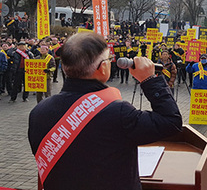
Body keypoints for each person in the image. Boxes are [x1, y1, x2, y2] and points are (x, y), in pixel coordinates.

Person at [28, 32, 182, 190]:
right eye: (108, 59)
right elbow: (171, 121)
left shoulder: (39, 111)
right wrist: (149, 80)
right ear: (102, 68)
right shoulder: (119, 113)